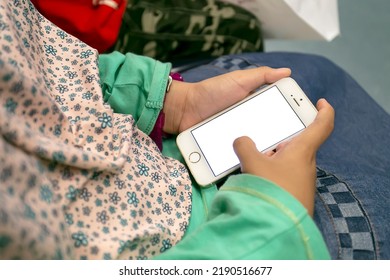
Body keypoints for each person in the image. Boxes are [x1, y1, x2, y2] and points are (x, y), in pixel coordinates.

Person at [0, 0, 389, 260]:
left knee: (316, 74)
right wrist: (275, 215)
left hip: (160, 120)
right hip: (232, 237)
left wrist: (171, 101)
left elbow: (50, 62)